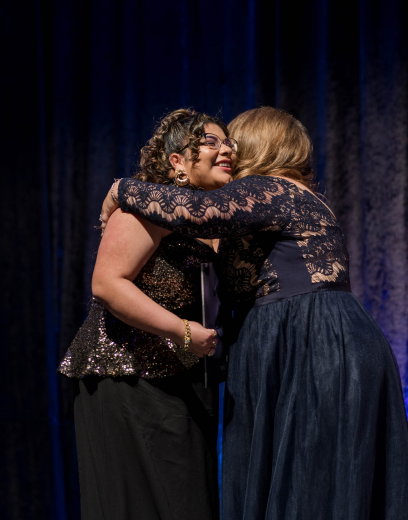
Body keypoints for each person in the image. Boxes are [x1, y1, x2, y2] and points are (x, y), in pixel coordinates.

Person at [100, 106, 408, 520]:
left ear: (257, 147)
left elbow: (196, 210)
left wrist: (122, 188)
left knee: (308, 482)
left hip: (308, 339)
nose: (228, 150)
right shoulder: (288, 199)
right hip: (325, 336)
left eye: (234, 142)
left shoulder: (272, 190)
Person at [58, 108, 239, 520]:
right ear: (177, 160)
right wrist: (182, 330)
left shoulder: (214, 220)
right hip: (129, 378)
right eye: (210, 142)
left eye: (229, 142)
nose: (225, 148)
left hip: (185, 382)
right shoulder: (143, 207)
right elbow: (107, 283)